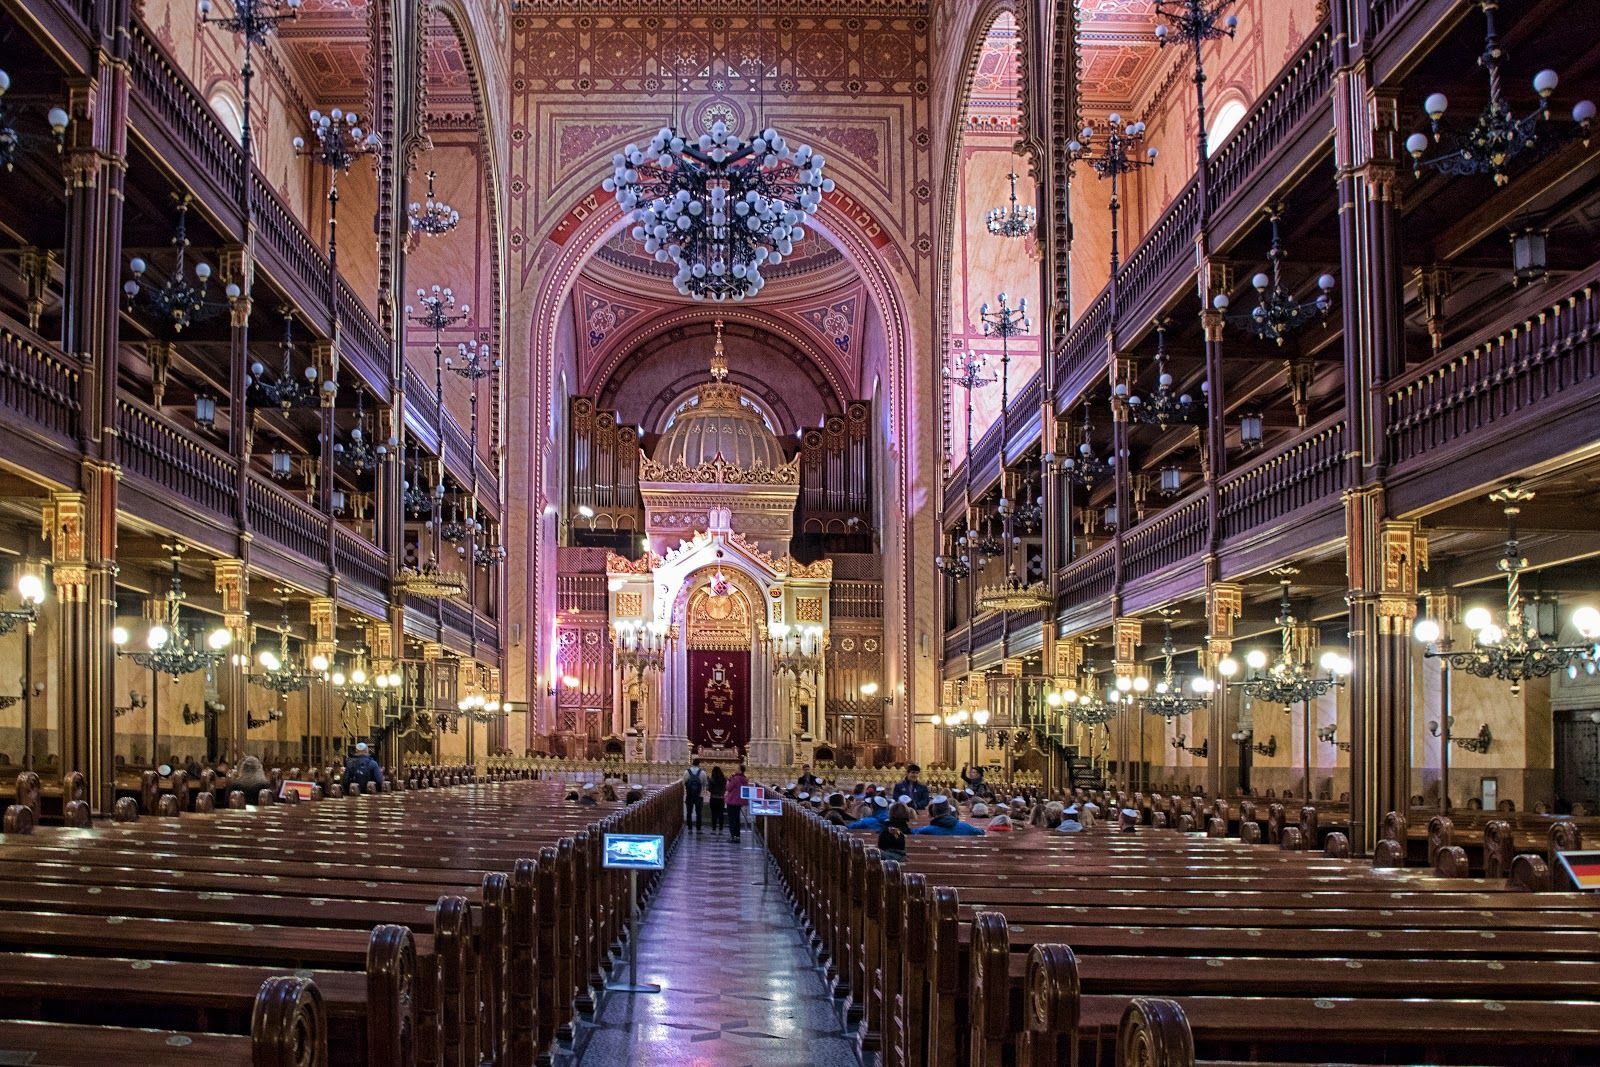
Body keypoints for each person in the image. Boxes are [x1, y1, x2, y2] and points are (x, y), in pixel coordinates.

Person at [913, 795, 986, 836]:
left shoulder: (926, 830)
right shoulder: (966, 827)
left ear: (933, 812)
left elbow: (908, 832)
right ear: (948, 810)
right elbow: (982, 832)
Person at [724, 763, 749, 841]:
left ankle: (733, 836)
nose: (735, 769)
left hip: (732, 801)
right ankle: (737, 836)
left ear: (740, 770)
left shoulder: (735, 778)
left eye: (737, 768)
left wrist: (728, 780)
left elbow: (728, 788)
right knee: (737, 818)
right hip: (739, 801)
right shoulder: (744, 779)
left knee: (732, 819)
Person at [683, 758, 707, 830]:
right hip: (699, 796)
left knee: (689, 812)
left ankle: (689, 827)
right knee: (699, 812)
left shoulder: (687, 772)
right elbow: (704, 784)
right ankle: (698, 827)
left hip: (689, 795)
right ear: (699, 764)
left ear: (692, 763)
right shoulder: (702, 772)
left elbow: (683, 782)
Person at [708, 764, 728, 832]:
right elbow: (726, 788)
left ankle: (714, 828)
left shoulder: (712, 780)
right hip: (721, 798)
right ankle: (721, 828)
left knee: (713, 814)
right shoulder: (724, 779)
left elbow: (709, 789)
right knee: (720, 814)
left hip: (713, 798)